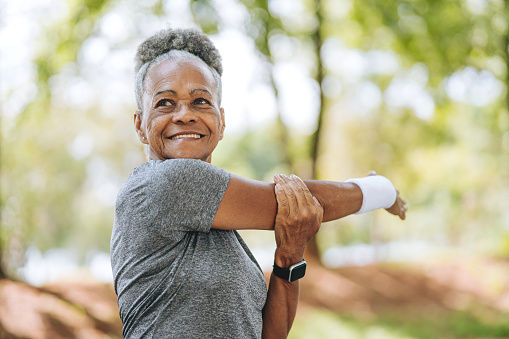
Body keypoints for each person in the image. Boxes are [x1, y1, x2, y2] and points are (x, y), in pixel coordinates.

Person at [110, 27, 407, 339]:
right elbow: (299, 199)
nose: (184, 114)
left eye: (200, 101)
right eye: (164, 103)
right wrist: (381, 190)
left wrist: (289, 256)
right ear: (140, 126)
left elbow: (269, 335)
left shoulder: (222, 225)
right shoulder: (166, 184)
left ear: (221, 122)